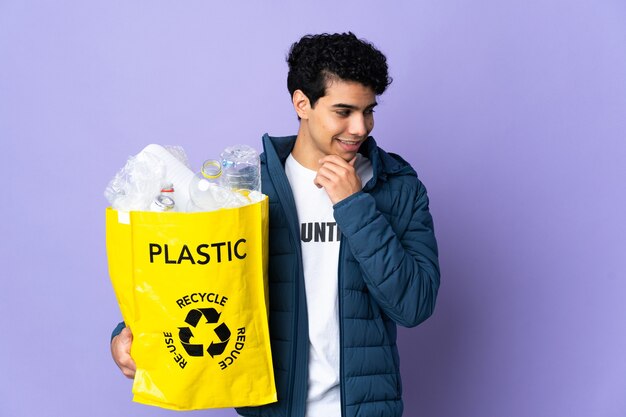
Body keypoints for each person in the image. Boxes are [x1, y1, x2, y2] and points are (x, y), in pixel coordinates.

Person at [111, 32, 440, 417]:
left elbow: (415, 305)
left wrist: (355, 205)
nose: (360, 127)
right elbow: (195, 280)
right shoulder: (248, 189)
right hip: (274, 407)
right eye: (343, 111)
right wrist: (125, 332)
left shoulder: (398, 187)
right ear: (302, 103)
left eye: (368, 110)